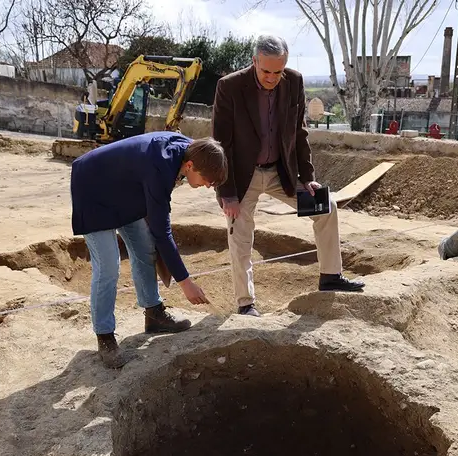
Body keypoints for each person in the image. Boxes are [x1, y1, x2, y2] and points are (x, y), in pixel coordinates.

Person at [211, 34, 365, 317]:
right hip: (242, 178)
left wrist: (307, 178)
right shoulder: (229, 87)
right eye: (266, 71)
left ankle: (330, 277)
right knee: (240, 236)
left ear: (285, 65)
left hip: (281, 173)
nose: (272, 78)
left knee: (326, 207)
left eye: (277, 72)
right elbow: (221, 144)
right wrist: (227, 193)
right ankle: (246, 304)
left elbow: (299, 132)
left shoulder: (293, 82)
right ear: (254, 61)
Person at [70, 132, 227, 368]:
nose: (206, 186)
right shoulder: (161, 166)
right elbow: (162, 231)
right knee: (108, 266)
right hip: (93, 191)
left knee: (144, 248)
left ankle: (154, 313)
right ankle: (105, 337)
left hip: (124, 191)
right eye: (206, 180)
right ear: (190, 165)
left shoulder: (190, 150)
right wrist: (186, 282)